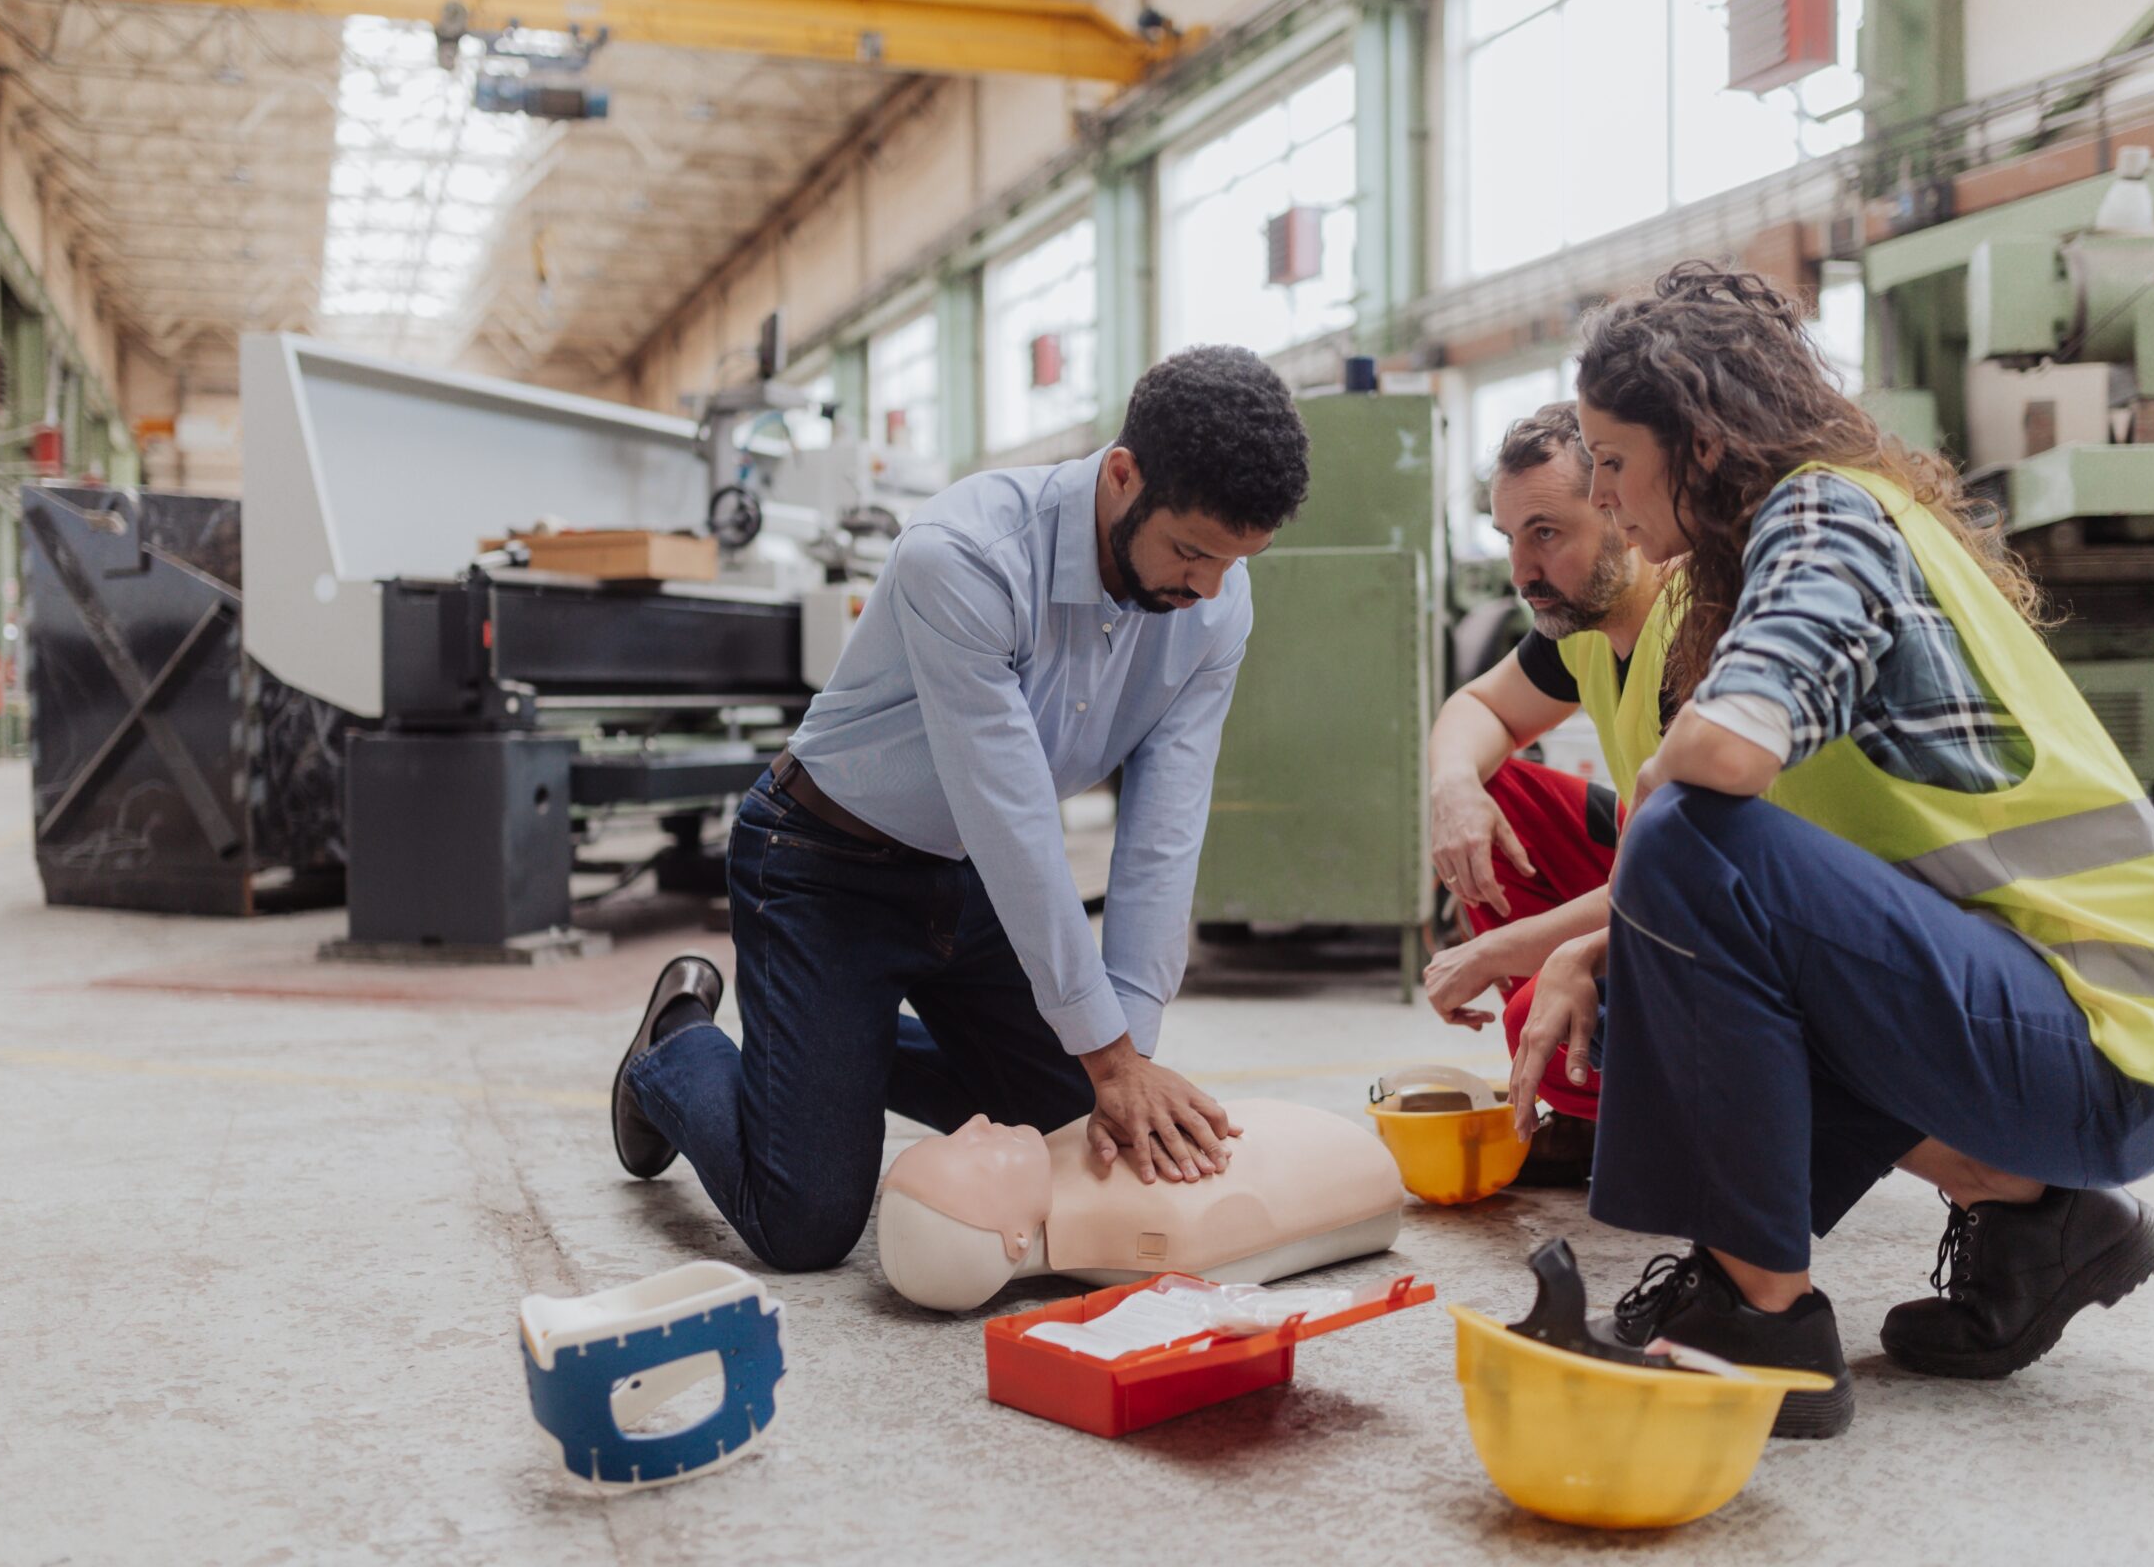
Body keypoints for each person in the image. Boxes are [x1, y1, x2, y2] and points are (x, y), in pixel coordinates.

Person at [1520, 260, 2154, 1440]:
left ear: (1697, 442)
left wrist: (1639, 868)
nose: (1603, 492)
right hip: (2087, 1038)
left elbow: (1730, 751)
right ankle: (2035, 1233)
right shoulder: (1823, 520)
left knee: (1689, 836)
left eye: (1610, 458)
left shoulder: (1825, 509)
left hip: (2102, 1038)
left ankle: (1760, 1316)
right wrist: (1616, 945)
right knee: (1702, 890)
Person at [607, 345, 1310, 1274]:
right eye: (1190, 552)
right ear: (1123, 476)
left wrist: (1126, 1055)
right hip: (823, 866)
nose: (1208, 590)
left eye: (1234, 561)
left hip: (966, 885)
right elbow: (1013, 820)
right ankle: (676, 1051)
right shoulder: (967, 556)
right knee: (807, 1225)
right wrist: (1105, 1061)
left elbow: (1163, 836)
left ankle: (828, 1049)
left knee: (1082, 1129)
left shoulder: (1216, 601)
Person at [1421, 402, 1681, 1182]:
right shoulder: (1583, 628)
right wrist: (1455, 786)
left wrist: (1497, 951)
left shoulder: (1696, 628)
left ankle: (1646, 1118)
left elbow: (1695, 875)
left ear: (1617, 510)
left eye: (1546, 533)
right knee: (1492, 781)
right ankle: (1582, 1109)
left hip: (1716, 901)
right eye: (1509, 540)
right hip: (1658, 873)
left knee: (1529, 1007)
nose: (1521, 572)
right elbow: (1477, 707)